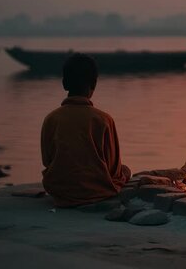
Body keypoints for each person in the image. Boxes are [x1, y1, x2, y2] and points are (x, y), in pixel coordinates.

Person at [41, 53, 131, 207]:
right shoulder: (104, 119)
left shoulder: (51, 118)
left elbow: (48, 161)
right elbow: (113, 168)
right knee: (125, 171)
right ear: (93, 85)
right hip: (97, 191)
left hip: (60, 191)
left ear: (64, 84)